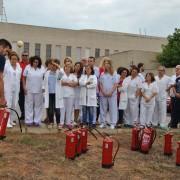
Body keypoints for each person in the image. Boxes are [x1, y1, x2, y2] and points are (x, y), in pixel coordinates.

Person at [23, 56, 45, 126]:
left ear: (39, 63)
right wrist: (24, 87)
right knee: (28, 105)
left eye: (37, 62)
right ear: (32, 61)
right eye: (34, 62)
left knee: (38, 106)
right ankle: (29, 120)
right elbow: (23, 77)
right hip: (29, 89)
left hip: (39, 90)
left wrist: (44, 87)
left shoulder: (42, 68)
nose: (35, 63)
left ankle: (37, 121)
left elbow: (45, 78)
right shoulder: (28, 67)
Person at [43, 59, 64, 128]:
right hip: (49, 94)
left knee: (57, 109)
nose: (53, 66)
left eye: (55, 65)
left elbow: (62, 73)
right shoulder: (47, 73)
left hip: (56, 94)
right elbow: (44, 82)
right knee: (50, 109)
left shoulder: (59, 73)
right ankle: (51, 122)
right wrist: (43, 89)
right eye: (52, 65)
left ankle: (58, 123)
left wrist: (57, 66)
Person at [4, 52, 22, 128]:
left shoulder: (18, 67)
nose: (14, 60)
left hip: (16, 88)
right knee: (8, 104)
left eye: (15, 59)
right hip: (8, 88)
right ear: (10, 59)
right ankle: (6, 121)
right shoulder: (6, 66)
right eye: (12, 59)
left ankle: (11, 120)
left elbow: (19, 77)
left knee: (14, 105)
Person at [99, 57, 118, 129]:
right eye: (105, 63)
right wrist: (103, 91)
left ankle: (113, 123)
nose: (106, 65)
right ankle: (103, 123)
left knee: (112, 108)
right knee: (103, 108)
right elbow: (100, 83)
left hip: (112, 94)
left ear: (110, 65)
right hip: (103, 94)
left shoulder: (114, 73)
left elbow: (116, 84)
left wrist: (111, 92)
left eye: (107, 63)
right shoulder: (102, 73)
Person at [88, 56, 100, 126]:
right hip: (87, 92)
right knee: (88, 107)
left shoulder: (97, 70)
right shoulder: (85, 69)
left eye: (91, 61)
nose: (89, 62)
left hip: (95, 91)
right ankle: (88, 121)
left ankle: (94, 121)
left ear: (94, 62)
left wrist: (88, 83)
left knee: (95, 107)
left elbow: (93, 80)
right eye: (88, 61)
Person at [0, 39, 12, 107]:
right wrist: (2, 97)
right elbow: (0, 78)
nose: (6, 54)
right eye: (7, 51)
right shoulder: (1, 57)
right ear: (2, 46)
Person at [18, 52, 29, 120]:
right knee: (20, 100)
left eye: (26, 55)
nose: (25, 56)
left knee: (28, 100)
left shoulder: (30, 64)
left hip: (28, 84)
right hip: (19, 83)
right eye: (23, 55)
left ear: (28, 56)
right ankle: (23, 113)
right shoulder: (18, 64)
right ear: (21, 56)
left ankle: (27, 114)